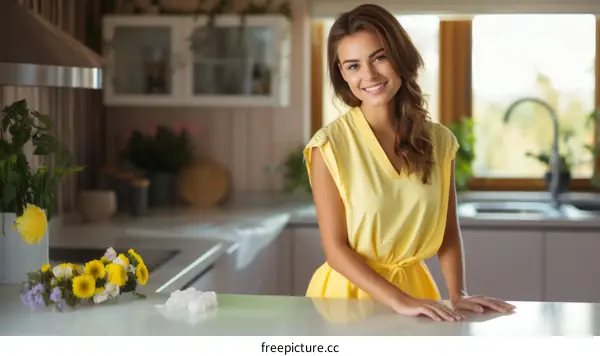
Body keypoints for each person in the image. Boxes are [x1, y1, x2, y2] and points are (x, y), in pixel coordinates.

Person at [303, 3, 516, 322]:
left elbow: (446, 232)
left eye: (379, 57)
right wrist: (399, 301)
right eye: (353, 66)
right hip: (345, 301)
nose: (369, 75)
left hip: (417, 294)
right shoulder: (329, 146)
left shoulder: (440, 142)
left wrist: (459, 294)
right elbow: (335, 251)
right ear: (342, 76)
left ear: (399, 56)